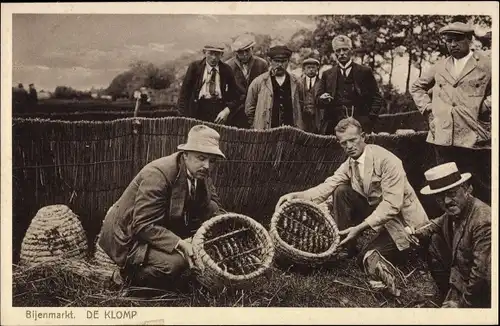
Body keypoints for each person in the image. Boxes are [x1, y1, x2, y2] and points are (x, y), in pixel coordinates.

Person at [276, 117, 428, 295]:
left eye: (352, 140)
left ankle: (390, 262)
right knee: (341, 190)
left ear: (363, 137)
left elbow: (392, 206)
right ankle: (345, 246)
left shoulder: (387, 160)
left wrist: (359, 227)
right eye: (343, 143)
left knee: (366, 255)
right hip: (380, 217)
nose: (349, 146)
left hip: (405, 224)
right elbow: (328, 185)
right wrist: (296, 195)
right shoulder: (350, 164)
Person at [98, 125, 227, 288]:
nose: (207, 165)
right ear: (186, 155)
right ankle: (125, 277)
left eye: (212, 160)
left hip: (160, 224)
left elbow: (214, 208)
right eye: (201, 158)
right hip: (129, 234)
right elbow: (142, 225)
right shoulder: (159, 174)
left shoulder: (200, 173)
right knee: (175, 264)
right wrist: (181, 243)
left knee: (211, 208)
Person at [410, 22, 491, 204]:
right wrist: (428, 109)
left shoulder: (486, 63)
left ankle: (484, 227)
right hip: (443, 136)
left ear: (469, 40)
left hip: (474, 135)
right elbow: (417, 87)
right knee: (447, 185)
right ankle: (452, 227)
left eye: (457, 40)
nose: (452, 44)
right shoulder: (440, 66)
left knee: (478, 185)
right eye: (448, 40)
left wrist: (486, 105)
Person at [408, 162, 491, 308]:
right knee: (434, 240)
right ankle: (445, 293)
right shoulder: (455, 211)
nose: (446, 201)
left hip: (485, 292)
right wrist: (415, 232)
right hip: (461, 277)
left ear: (467, 189)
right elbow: (435, 224)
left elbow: (481, 275)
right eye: (439, 197)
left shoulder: (483, 221)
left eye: (451, 194)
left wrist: (462, 305)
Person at [318, 35, 384, 134]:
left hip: (360, 124)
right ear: (334, 53)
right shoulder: (327, 74)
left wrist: (369, 119)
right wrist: (322, 99)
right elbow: (318, 101)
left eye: (345, 50)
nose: (341, 53)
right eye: (338, 50)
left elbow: (377, 97)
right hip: (334, 126)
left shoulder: (364, 71)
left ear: (351, 51)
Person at [178, 44, 244, 125]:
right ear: (204, 52)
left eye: (217, 54)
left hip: (218, 112)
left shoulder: (227, 70)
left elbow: (237, 96)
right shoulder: (194, 68)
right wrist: (184, 118)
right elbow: (184, 95)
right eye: (210, 53)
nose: (214, 58)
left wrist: (227, 110)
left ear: (222, 55)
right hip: (197, 111)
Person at [245, 45, 305, 130]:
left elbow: (302, 105)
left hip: (291, 133)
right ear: (270, 61)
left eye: (283, 61)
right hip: (266, 134)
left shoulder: (297, 83)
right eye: (276, 61)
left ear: (288, 61)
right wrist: (257, 125)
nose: (280, 64)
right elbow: (249, 109)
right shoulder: (259, 82)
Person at [225, 33, 269, 128]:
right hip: (236, 109)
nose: (245, 55)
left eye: (247, 51)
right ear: (236, 52)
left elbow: (266, 87)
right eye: (241, 52)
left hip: (257, 107)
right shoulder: (228, 66)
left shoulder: (262, 64)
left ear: (252, 49)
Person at [301, 57, 322, 133]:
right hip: (303, 116)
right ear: (304, 69)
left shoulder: (322, 83)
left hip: (317, 115)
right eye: (308, 67)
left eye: (313, 67)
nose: (311, 70)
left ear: (317, 69)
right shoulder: (299, 82)